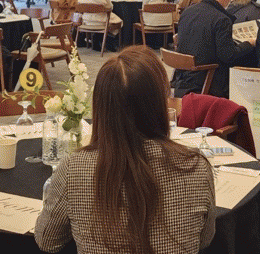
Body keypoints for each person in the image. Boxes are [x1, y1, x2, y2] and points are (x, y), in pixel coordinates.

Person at [35, 46, 215, 253]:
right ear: (159, 103)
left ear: (101, 107)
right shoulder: (195, 166)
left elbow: (47, 241)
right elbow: (205, 239)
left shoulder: (73, 169)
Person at [172, 0, 254, 98]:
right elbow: (228, 56)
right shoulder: (221, 19)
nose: (229, 3)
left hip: (182, 79)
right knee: (248, 57)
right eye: (231, 0)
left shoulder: (188, 12)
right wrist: (249, 44)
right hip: (207, 80)